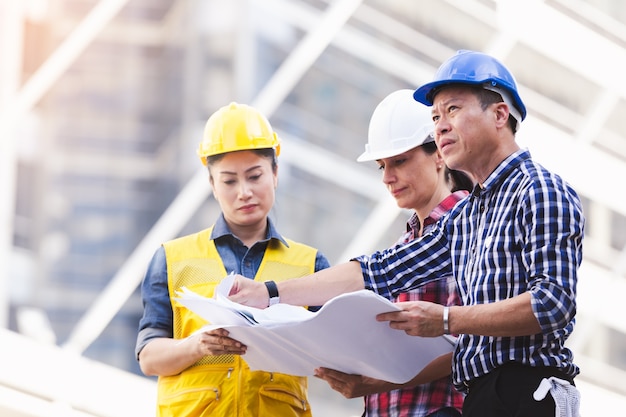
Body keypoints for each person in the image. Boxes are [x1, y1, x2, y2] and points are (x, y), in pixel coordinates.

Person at [229, 50, 585, 417]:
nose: (441, 125)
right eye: (435, 116)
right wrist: (268, 294)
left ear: (499, 114)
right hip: (481, 395)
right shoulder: (466, 217)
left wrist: (445, 320)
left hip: (529, 390)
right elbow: (379, 271)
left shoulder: (540, 189)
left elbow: (552, 303)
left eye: (453, 110)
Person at [135, 102, 330, 417]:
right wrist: (197, 346)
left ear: (275, 174)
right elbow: (149, 357)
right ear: (212, 185)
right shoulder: (172, 259)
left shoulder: (311, 265)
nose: (244, 192)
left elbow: (333, 351)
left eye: (255, 176)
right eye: (229, 181)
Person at [315, 89, 470, 417]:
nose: (387, 177)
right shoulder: (403, 245)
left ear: (439, 154)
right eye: (382, 165)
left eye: (399, 161)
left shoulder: (471, 226)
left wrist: (378, 383)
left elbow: (474, 345)